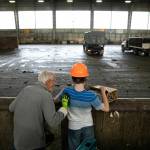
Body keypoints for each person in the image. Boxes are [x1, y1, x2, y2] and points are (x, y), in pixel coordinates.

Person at [9, 70, 68, 150]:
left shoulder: (26, 89)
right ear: (48, 81)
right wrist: (64, 108)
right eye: (53, 81)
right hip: (34, 144)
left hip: (18, 142)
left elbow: (11, 108)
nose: (54, 84)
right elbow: (53, 122)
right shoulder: (46, 95)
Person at [57, 63, 110, 150]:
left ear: (72, 78)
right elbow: (106, 109)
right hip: (88, 125)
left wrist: (63, 90)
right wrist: (103, 92)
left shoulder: (66, 91)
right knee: (89, 147)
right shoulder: (91, 95)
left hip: (73, 126)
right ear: (85, 79)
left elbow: (55, 100)